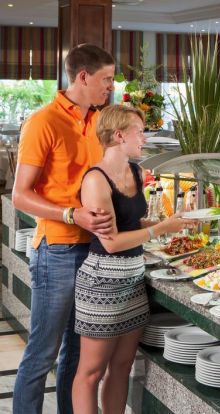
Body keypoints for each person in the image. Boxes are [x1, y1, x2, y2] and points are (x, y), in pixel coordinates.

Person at [12, 44, 116, 414]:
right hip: (57, 251)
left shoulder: (99, 123)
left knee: (76, 356)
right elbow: (20, 196)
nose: (111, 86)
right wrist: (73, 215)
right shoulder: (43, 121)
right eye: (106, 79)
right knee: (42, 354)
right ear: (83, 76)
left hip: (96, 251)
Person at [71, 105, 196, 414]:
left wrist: (170, 223)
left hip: (133, 278)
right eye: (139, 132)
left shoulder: (137, 173)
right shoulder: (96, 180)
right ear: (119, 135)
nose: (145, 138)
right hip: (102, 282)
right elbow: (111, 242)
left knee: (122, 364)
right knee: (90, 373)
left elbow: (130, 223)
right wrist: (160, 229)